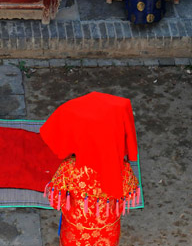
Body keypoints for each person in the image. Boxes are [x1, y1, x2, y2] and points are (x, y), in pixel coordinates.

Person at [40, 92, 140, 246]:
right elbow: (130, 193)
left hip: (75, 232)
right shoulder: (121, 169)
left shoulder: (69, 168)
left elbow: (55, 199)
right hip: (107, 232)